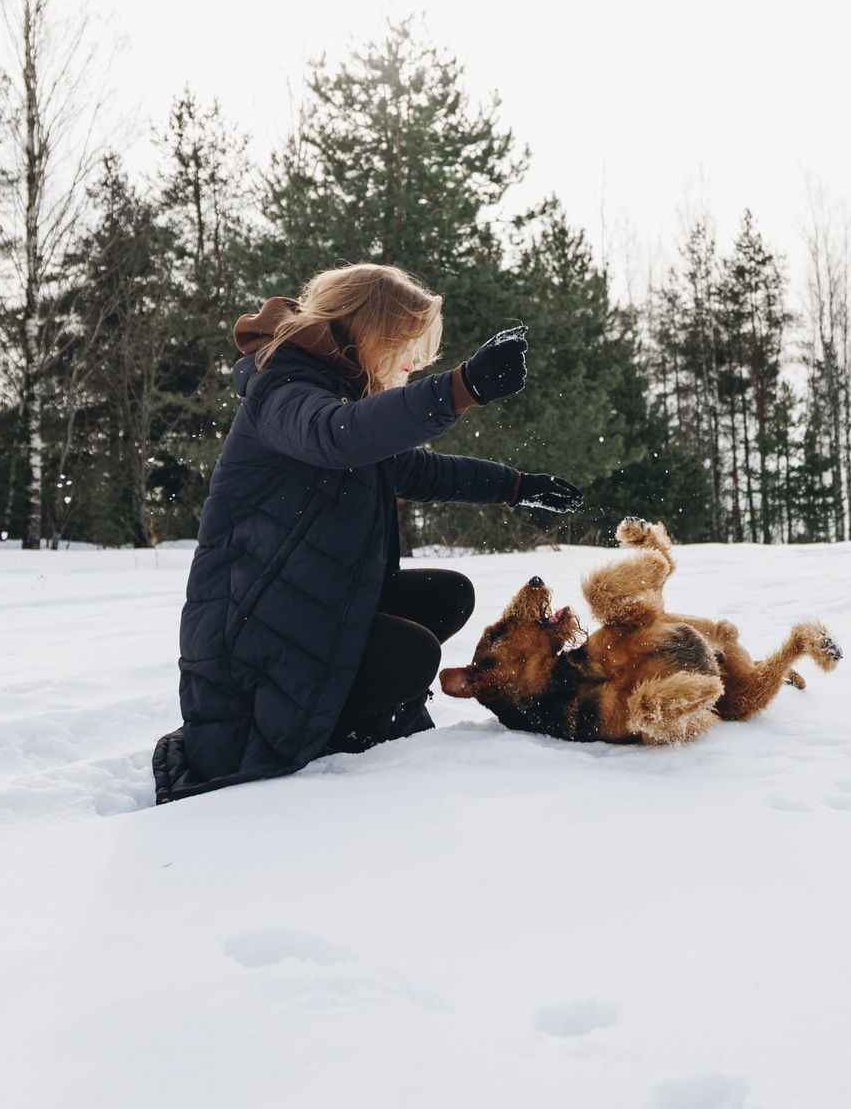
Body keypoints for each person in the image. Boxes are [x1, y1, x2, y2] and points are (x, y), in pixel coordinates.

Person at [151, 263, 584, 803]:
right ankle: (330, 733)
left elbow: (416, 470)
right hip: (247, 645)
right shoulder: (284, 392)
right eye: (405, 348)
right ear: (371, 334)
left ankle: (348, 714)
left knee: (450, 595)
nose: (411, 364)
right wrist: (461, 387)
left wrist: (519, 486)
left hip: (295, 612)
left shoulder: (336, 398)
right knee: (413, 656)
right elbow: (340, 438)